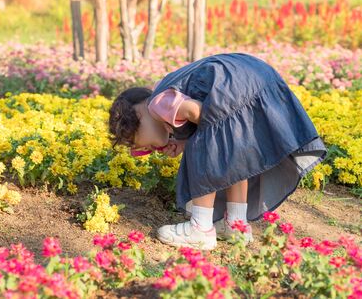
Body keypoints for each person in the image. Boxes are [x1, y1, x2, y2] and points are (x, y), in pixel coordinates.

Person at [108, 52, 327, 250]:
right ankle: (236, 225)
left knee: (208, 147)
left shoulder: (158, 104)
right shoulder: (165, 96)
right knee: (232, 158)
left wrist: (193, 144)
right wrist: (184, 141)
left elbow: (203, 116)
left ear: (137, 118)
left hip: (238, 88)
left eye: (137, 144)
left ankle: (200, 228)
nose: (146, 150)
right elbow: (221, 131)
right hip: (253, 78)